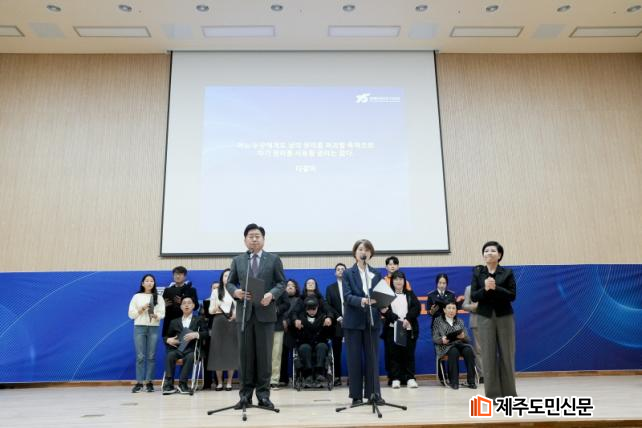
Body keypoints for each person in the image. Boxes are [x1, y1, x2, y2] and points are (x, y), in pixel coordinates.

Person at [226, 223, 286, 410]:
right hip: (244, 314)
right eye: (250, 236)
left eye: (257, 236)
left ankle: (263, 396)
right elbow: (230, 283)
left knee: (264, 358)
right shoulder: (238, 260)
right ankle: (245, 396)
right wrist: (236, 292)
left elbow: (281, 282)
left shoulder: (274, 259)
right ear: (245, 240)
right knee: (245, 357)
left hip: (265, 314)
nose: (254, 239)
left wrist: (272, 295)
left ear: (263, 239)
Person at [470, 241, 517, 400]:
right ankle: (493, 395)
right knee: (488, 356)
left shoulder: (507, 272)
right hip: (485, 317)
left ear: (499, 255)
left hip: (505, 316)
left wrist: (496, 287)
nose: (489, 253)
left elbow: (512, 295)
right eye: (486, 251)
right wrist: (485, 289)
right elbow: (474, 296)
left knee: (507, 355)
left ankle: (509, 394)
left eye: (492, 251)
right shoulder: (478, 273)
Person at [342, 239, 384, 405]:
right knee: (354, 359)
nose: (363, 252)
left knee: (372, 358)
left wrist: (383, 303)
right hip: (353, 321)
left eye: (366, 249)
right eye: (360, 249)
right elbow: (347, 296)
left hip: (372, 320)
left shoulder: (376, 273)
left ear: (370, 253)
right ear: (355, 253)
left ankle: (374, 393)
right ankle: (356, 395)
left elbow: (380, 295)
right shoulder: (348, 273)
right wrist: (362, 300)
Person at [380, 271, 420, 389]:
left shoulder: (410, 294)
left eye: (401, 279)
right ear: (392, 281)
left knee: (409, 354)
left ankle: (410, 378)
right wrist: (395, 319)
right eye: (396, 279)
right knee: (394, 355)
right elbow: (383, 310)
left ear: (404, 281)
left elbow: (416, 307)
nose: (399, 281)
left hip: (408, 329)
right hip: (392, 329)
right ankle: (395, 378)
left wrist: (408, 319)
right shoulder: (387, 295)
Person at [162, 296, 209, 395]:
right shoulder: (174, 321)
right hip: (177, 349)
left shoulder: (199, 319)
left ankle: (182, 384)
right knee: (170, 355)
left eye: (189, 303)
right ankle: (168, 384)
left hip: (192, 349)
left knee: (191, 356)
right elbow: (166, 336)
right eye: (184, 303)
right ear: (181, 307)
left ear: (193, 306)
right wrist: (168, 340)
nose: (186, 305)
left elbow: (206, 334)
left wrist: (196, 334)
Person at [128, 274, 165, 393]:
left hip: (153, 327)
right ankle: (139, 382)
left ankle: (149, 382)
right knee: (140, 356)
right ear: (142, 283)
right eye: (147, 281)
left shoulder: (158, 297)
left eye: (152, 281)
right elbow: (131, 314)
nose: (149, 283)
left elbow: (162, 313)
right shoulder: (136, 296)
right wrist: (142, 309)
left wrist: (156, 316)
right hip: (139, 327)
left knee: (151, 356)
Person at [433, 301, 476, 390]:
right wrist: (442, 340)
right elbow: (435, 338)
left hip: (459, 344)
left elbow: (468, 339)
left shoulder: (460, 321)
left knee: (468, 350)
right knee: (454, 351)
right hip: (445, 346)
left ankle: (471, 381)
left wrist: (463, 337)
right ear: (444, 310)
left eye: (453, 308)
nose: (451, 310)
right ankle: (454, 382)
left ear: (456, 310)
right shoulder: (438, 321)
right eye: (449, 308)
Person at [208, 268, 238, 391]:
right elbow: (210, 310)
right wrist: (216, 308)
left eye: (230, 275)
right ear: (222, 278)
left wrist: (236, 315)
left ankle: (229, 382)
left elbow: (240, 308)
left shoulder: (237, 291)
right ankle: (220, 382)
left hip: (232, 322)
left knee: (231, 352)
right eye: (225, 275)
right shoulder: (216, 291)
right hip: (219, 321)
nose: (227, 278)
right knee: (218, 352)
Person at [293, 296, 334, 388]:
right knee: (305, 347)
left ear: (317, 307)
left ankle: (320, 372)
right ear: (305, 308)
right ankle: (308, 374)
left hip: (320, 342)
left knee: (322, 346)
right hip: (305, 343)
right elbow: (296, 335)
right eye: (309, 309)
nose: (311, 311)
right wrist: (299, 329)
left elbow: (329, 335)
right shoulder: (300, 318)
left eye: (313, 309)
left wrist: (327, 326)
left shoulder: (324, 317)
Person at [162, 266, 199, 338]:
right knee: (169, 342)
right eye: (175, 274)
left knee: (185, 342)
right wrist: (164, 305)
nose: (177, 276)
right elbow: (161, 308)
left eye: (180, 274)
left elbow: (196, 307)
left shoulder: (191, 290)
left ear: (185, 276)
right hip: (170, 322)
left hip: (186, 322)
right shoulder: (167, 290)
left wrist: (183, 303)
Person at [325, 263, 346, 386]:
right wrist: (338, 317)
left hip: (352, 322)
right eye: (338, 269)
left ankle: (353, 377)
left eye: (343, 269)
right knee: (337, 352)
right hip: (337, 324)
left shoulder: (352, 286)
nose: (341, 271)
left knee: (353, 351)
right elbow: (328, 305)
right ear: (335, 273)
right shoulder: (330, 288)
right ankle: (337, 376)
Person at [269, 282, 291, 390]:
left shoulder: (281, 288)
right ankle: (261, 380)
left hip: (277, 325)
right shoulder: (260, 285)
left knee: (276, 354)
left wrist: (277, 309)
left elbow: (287, 304)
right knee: (261, 354)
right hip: (260, 325)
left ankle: (274, 380)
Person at [279, 279, 301, 387]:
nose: (290, 287)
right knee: (281, 355)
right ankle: (283, 378)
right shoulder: (280, 300)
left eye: (293, 285)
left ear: (296, 288)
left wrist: (287, 322)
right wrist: (282, 321)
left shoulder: (299, 300)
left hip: (294, 330)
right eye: (288, 285)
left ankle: (297, 377)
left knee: (295, 355)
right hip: (280, 330)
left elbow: (298, 314)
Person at [462, 284, 484, 383]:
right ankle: (482, 375)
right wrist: (474, 306)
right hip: (477, 321)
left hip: (492, 321)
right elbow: (464, 305)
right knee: (479, 349)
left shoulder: (493, 285)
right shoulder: (469, 288)